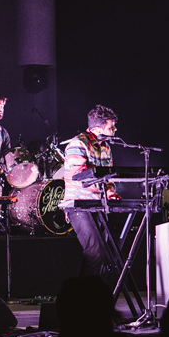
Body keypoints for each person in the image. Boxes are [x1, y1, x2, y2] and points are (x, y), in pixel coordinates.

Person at [60, 104, 121, 279]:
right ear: (97, 128)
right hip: (79, 206)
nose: (115, 129)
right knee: (95, 252)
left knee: (106, 254)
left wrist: (109, 191)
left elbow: (107, 177)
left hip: (98, 205)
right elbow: (79, 177)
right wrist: (104, 189)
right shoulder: (78, 143)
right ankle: (84, 299)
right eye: (111, 127)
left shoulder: (106, 147)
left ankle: (96, 296)